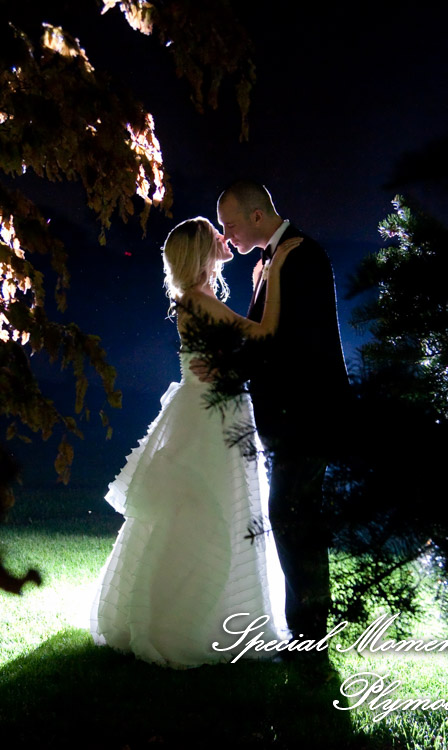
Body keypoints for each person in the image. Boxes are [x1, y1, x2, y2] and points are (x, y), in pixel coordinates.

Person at [88, 216, 300, 668]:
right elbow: (263, 333)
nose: (225, 238)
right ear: (200, 254)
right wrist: (276, 273)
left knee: (211, 511)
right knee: (217, 511)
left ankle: (188, 611)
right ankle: (190, 621)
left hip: (206, 410)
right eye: (213, 236)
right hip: (213, 417)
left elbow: (235, 343)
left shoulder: (194, 300)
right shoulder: (200, 300)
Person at [199, 180, 349, 659]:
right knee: (290, 517)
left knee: (292, 518)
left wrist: (231, 369)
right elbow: (263, 335)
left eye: (231, 224)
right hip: (286, 415)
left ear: (258, 216)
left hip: (305, 411)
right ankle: (305, 634)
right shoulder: (272, 258)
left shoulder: (300, 255)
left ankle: (309, 639)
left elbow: (288, 344)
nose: (227, 234)